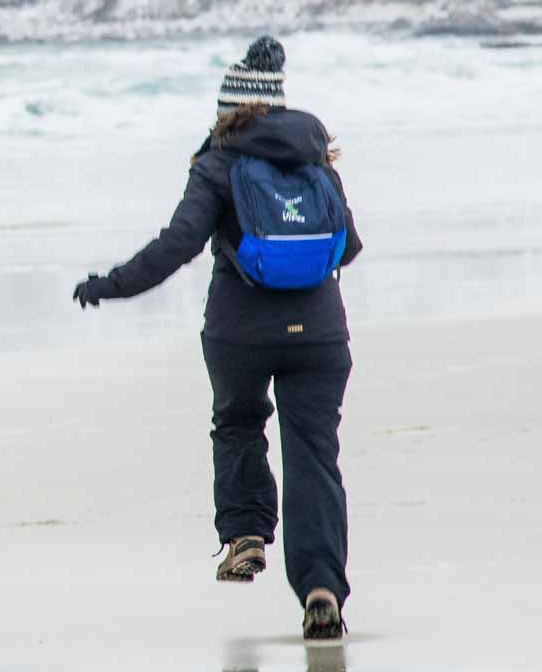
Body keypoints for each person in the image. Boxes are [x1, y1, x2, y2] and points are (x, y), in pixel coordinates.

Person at [72, 36, 362, 642]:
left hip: (239, 331)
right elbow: (349, 246)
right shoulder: (315, 159)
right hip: (321, 333)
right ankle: (320, 588)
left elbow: (177, 245)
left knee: (237, 421)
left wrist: (110, 285)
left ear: (229, 108)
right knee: (314, 454)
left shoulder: (217, 163)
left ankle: (246, 534)